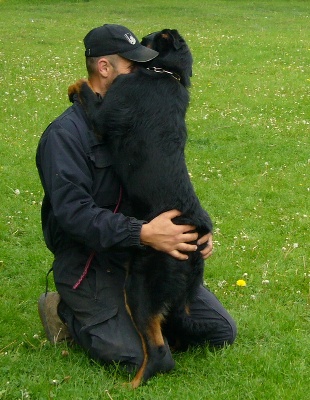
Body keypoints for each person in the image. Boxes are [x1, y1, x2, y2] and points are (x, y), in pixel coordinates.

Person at [36, 23, 237, 375]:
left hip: (140, 253)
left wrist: (195, 228)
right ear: (104, 68)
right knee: (130, 355)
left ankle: (126, 308)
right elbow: (73, 215)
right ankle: (61, 309)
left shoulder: (141, 115)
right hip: (89, 261)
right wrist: (142, 233)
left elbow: (165, 178)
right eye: (133, 65)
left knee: (220, 332)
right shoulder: (64, 135)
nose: (143, 72)